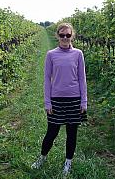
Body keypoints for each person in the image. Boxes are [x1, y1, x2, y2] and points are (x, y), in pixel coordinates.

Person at [31, 22, 87, 175]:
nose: (65, 38)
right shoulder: (51, 55)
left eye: (68, 35)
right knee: (52, 132)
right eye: (62, 35)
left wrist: (84, 101)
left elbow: (82, 79)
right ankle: (42, 158)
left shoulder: (78, 54)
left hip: (74, 99)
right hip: (56, 100)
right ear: (57, 36)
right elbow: (47, 80)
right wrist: (47, 102)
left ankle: (68, 163)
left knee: (72, 133)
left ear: (72, 36)